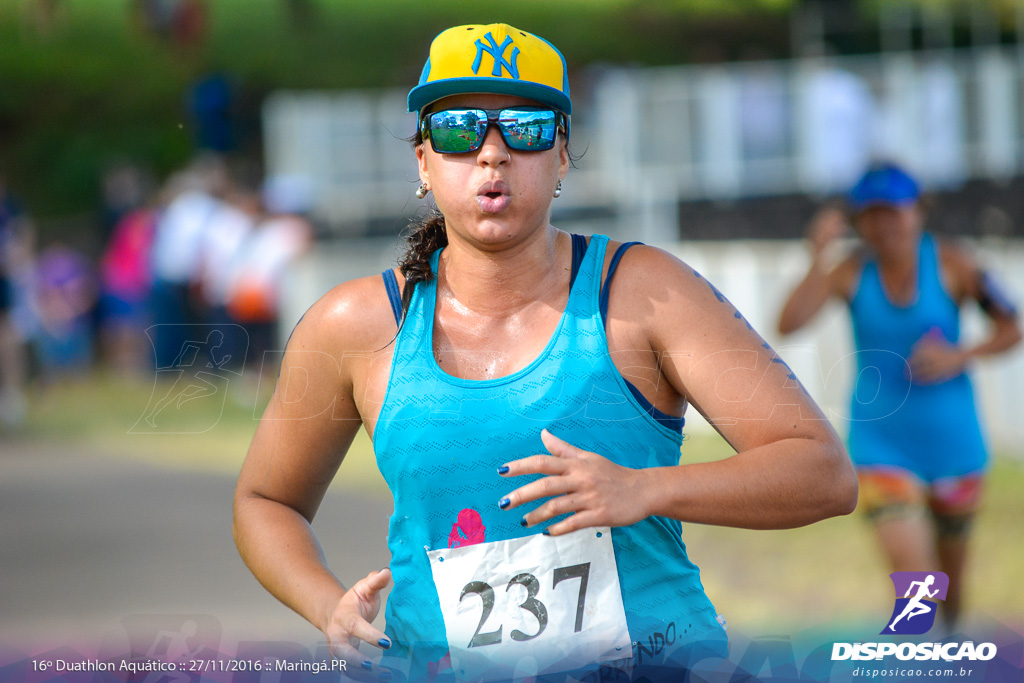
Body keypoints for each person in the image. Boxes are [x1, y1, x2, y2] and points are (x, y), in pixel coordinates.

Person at [234, 23, 856, 682]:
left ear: (562, 155)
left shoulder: (643, 293)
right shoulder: (356, 326)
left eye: (525, 130)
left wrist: (645, 489)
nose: (492, 155)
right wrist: (328, 606)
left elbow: (822, 472)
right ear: (423, 161)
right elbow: (266, 501)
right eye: (458, 130)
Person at [777, 162, 1022, 632]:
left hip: (956, 446)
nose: (884, 224)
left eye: (894, 211)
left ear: (918, 212)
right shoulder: (850, 271)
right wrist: (816, 257)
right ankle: (919, 655)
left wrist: (960, 355)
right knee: (917, 582)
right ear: (857, 222)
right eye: (870, 214)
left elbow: (1011, 328)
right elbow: (788, 323)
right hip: (881, 444)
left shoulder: (955, 264)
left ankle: (948, 651)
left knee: (952, 583)